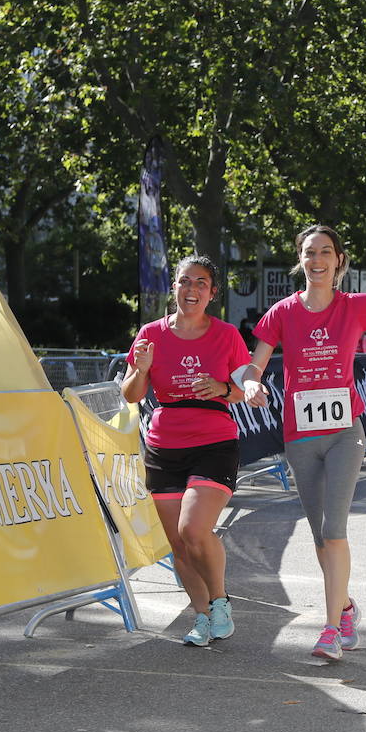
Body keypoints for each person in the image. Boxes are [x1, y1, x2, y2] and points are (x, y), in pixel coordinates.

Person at [240, 219, 366, 660]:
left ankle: (331, 628)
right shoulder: (283, 312)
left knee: (334, 530)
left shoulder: (355, 306)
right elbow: (253, 366)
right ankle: (347, 605)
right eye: (309, 253)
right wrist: (254, 383)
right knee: (320, 537)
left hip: (342, 434)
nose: (317, 260)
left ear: (339, 262)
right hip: (299, 437)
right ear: (301, 260)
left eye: (325, 253)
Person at [121, 256, 250, 647]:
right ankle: (202, 616)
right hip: (163, 446)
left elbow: (247, 390)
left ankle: (220, 601)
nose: (191, 289)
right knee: (179, 544)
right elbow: (130, 394)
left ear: (212, 293)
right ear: (174, 288)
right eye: (184, 282)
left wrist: (222, 388)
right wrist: (141, 370)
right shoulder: (151, 333)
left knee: (192, 529)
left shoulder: (227, 335)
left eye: (201, 283)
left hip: (214, 441)